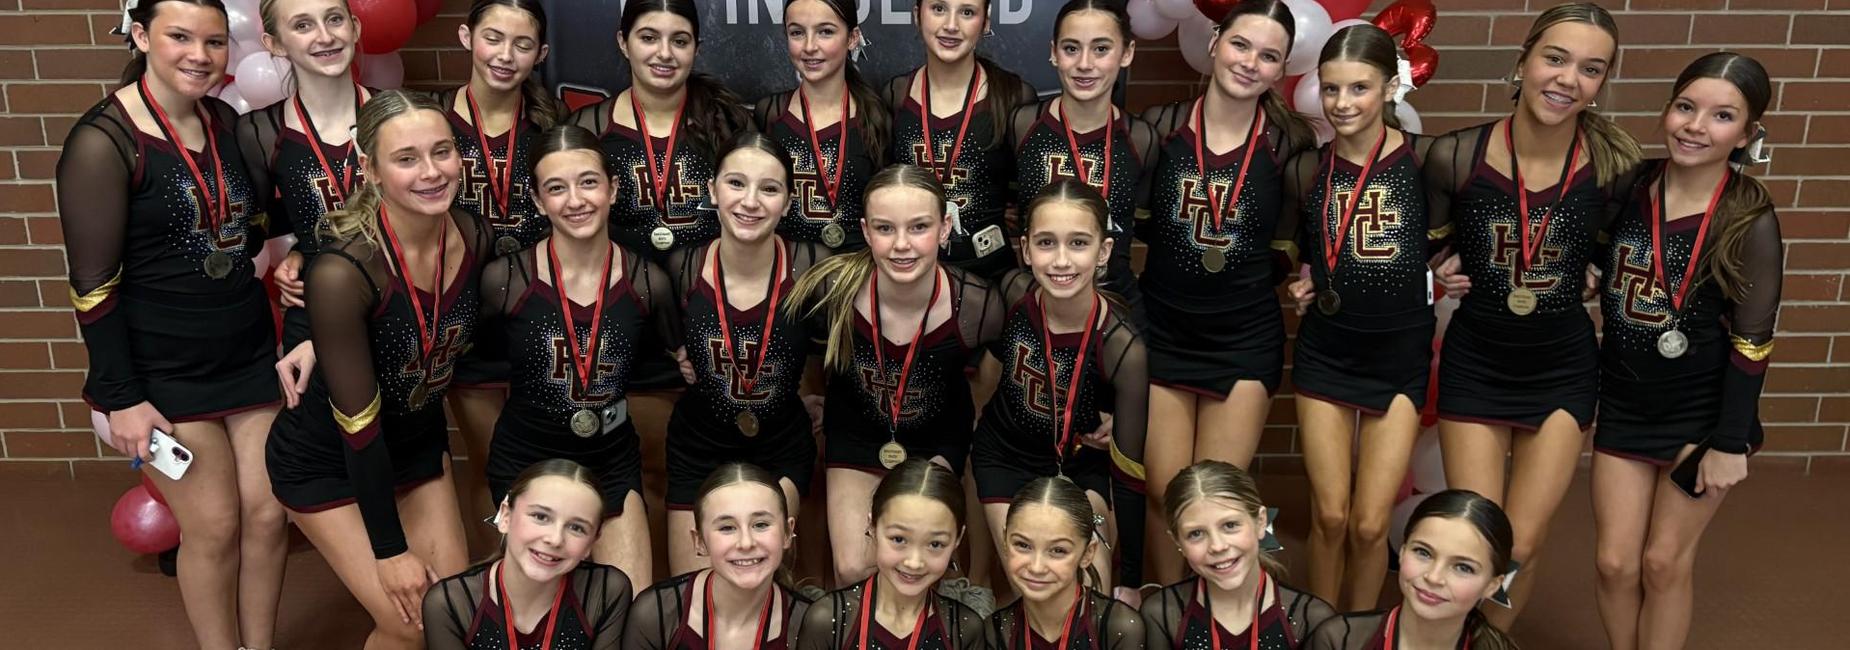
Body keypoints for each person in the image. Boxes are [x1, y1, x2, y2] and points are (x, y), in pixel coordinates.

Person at [60, 1, 284, 647]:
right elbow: (92, 287)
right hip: (163, 374)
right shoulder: (102, 142)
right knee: (213, 527)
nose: (200, 55)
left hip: (247, 354)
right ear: (140, 35)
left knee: (269, 516)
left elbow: (247, 223)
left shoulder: (222, 120)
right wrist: (122, 397)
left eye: (214, 41)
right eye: (179, 37)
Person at [1423, 2, 1642, 626]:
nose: (1568, 78)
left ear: (1602, 82)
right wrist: (1440, 267)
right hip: (1477, 363)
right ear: (1523, 62)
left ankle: (1490, 638)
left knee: (1520, 543)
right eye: (1555, 58)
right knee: (1475, 538)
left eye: (1591, 69)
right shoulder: (1455, 155)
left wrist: (1599, 270)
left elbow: (1615, 250)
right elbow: (1426, 246)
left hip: (1560, 369)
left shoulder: (1614, 168)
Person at [264, 90, 482, 649]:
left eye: (442, 152)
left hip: (416, 443)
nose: (431, 172)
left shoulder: (471, 233)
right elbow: (357, 428)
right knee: (409, 627)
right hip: (329, 459)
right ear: (371, 169)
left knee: (452, 617)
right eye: (406, 158)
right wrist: (390, 552)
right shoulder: (345, 271)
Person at [1590, 52, 1781, 650]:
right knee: (1614, 564)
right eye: (1685, 107)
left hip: (1701, 415)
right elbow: (1598, 249)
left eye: (1722, 116)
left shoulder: (1749, 217)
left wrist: (1729, 442)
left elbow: (1752, 342)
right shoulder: (1632, 184)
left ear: (1747, 134)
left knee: (1663, 562)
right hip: (1625, 401)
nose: (1696, 126)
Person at [565, 0, 757, 557]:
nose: (664, 53)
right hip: (628, 326)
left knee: (717, 474)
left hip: (715, 322)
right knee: (647, 468)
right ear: (622, 42)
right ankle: (657, 593)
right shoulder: (588, 130)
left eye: (679, 40)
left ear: (697, 47)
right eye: (649, 37)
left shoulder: (726, 123)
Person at [1135, 0, 1315, 584]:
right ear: (1214, 43)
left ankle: (1211, 613)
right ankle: (1166, 606)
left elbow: (1310, 234)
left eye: (1269, 56)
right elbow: (1133, 224)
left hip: (1243, 338)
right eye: (1240, 45)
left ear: (1281, 68)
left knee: (1214, 499)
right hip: (1163, 331)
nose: (1249, 63)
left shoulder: (1290, 146)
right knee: (1165, 493)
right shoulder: (1160, 128)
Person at [1280, 24, 1440, 611]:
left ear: (1390, 87)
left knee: (1371, 524)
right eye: (1331, 89)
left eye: (1359, 88)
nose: (1342, 103)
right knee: (1330, 515)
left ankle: (1361, 629)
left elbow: (1455, 242)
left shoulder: (1427, 163)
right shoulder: (1307, 169)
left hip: (1398, 357)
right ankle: (1324, 627)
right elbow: (1308, 251)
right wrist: (1304, 279)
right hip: (1327, 351)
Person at [479, 125, 679, 591]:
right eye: (556, 188)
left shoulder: (649, 283)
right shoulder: (504, 280)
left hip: (610, 459)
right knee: (536, 607)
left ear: (613, 188)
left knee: (629, 602)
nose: (575, 200)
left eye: (588, 182)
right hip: (527, 459)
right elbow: (473, 357)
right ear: (537, 200)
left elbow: (674, 360)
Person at [785, 164, 1005, 585]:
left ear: (944, 228)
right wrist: (804, 397)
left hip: (935, 437)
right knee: (854, 568)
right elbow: (796, 347)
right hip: (858, 433)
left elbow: (1009, 362)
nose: (902, 244)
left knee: (916, 560)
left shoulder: (978, 305)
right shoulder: (833, 292)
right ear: (866, 232)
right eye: (885, 228)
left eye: (919, 227)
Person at [662, 134, 830, 575]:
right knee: (693, 589)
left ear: (788, 202)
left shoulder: (813, 268)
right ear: (712, 190)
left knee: (753, 570)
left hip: (779, 446)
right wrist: (680, 356)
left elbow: (847, 344)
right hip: (699, 446)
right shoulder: (681, 268)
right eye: (736, 183)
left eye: (769, 189)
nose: (750, 201)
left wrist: (828, 398)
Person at [973, 179, 1148, 601]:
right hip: (1005, 458)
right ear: (1026, 249)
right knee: (1035, 587)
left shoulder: (1122, 347)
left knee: (1089, 591)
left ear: (1103, 252)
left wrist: (1131, 581)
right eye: (1046, 243)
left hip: (1080, 467)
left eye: (1079, 243)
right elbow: (987, 364)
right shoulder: (1013, 294)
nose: (1062, 260)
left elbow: (1129, 473)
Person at [439, 0, 563, 546]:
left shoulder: (553, 125)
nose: (506, 55)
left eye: (522, 44)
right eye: (493, 38)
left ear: (542, 53)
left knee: (551, 464)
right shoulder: (433, 120)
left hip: (545, 313)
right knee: (493, 466)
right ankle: (500, 577)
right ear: (466, 37)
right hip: (467, 317)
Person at [239, 0, 373, 366]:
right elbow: (265, 222)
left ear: (355, 27)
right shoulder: (259, 132)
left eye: (334, 19)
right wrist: (303, 249)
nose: (325, 36)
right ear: (275, 44)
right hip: (316, 311)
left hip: (400, 302)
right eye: (303, 25)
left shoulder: (397, 112)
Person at [1009, 0, 1159, 303]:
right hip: (1038, 303)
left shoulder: (1142, 138)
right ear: (1054, 52)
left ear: (1127, 53)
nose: (1085, 63)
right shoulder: (1023, 125)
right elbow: (1011, 207)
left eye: (1101, 49)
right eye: (1071, 48)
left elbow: (1143, 223)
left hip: (1114, 302)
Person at [882, 0, 1036, 279]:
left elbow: (1029, 194)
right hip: (912, 271)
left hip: (991, 273)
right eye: (938, 9)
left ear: (985, 22)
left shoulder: (1014, 96)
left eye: (967, 12)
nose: (951, 25)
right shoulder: (896, 95)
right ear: (917, 15)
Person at [424, 459, 635, 650]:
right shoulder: (450, 603)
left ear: (591, 543)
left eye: (576, 528)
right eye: (541, 516)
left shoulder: (606, 591)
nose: (555, 539)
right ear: (505, 516)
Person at [1140, 461, 1335, 649]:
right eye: (1196, 533)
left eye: (1230, 525)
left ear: (1260, 522)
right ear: (1178, 542)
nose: (1217, 546)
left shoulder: (1310, 618)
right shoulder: (1162, 614)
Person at [796, 458, 987, 649]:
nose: (914, 562)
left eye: (935, 544)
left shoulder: (964, 629)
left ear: (958, 539)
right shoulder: (828, 619)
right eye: (899, 539)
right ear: (872, 526)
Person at [627, 463, 815, 649]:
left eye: (761, 525)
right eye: (727, 527)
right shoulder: (656, 613)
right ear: (699, 541)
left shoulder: (810, 625)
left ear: (787, 532)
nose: (746, 543)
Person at [1304, 490, 1520, 650]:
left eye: (1463, 567)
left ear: (1492, 585)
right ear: (1402, 551)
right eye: (1423, 553)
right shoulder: (1340, 640)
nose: (1433, 577)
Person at [752, 0, 888, 253]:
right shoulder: (769, 114)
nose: (809, 46)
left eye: (825, 32)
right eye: (797, 33)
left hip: (858, 266)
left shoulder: (877, 117)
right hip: (789, 266)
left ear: (852, 38)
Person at [987, 476, 1146, 649]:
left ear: (1087, 554)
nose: (1037, 567)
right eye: (1023, 545)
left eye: (1058, 550)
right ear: (1005, 541)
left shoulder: (1118, 627)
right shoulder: (995, 631)